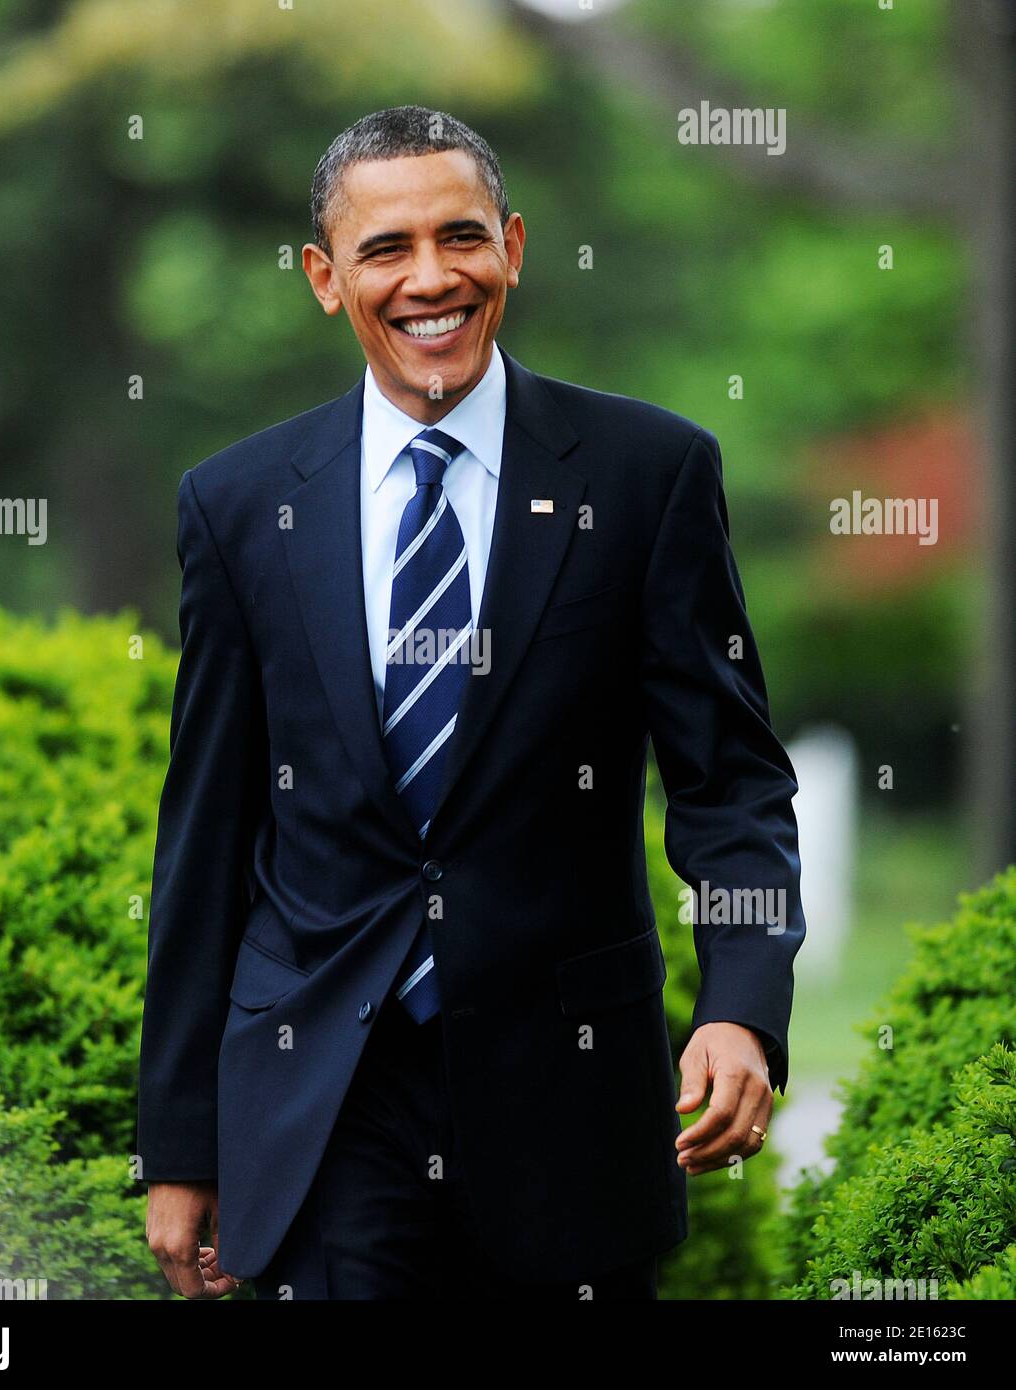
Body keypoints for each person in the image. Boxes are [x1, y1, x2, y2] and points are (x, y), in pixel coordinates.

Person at [137, 105, 805, 1301]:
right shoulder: (236, 507)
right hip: (324, 1104)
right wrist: (181, 1143)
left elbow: (732, 779)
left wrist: (743, 1007)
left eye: (462, 238)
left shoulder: (648, 476)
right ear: (323, 277)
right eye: (386, 249)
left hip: (572, 1105)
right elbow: (208, 837)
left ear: (515, 245)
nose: (430, 279)